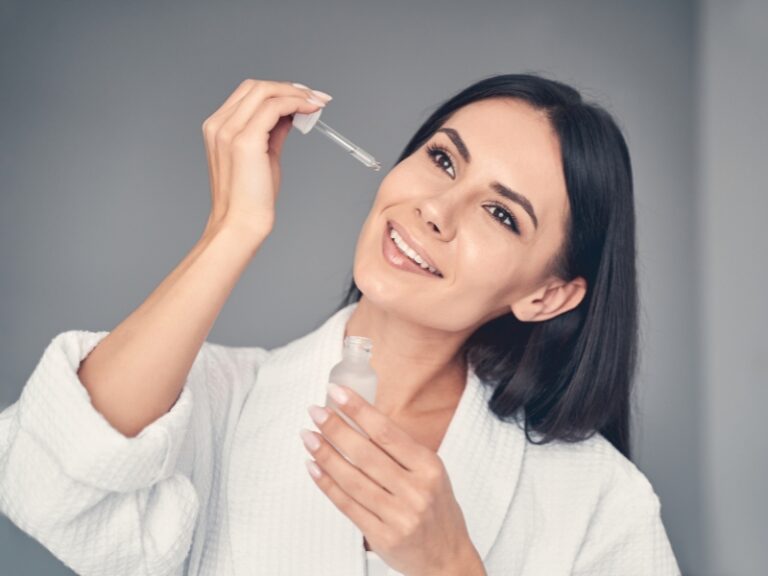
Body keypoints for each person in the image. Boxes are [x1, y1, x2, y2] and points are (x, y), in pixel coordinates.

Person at [0, 74, 681, 575]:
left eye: (500, 214)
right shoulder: (221, 403)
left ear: (548, 295)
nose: (436, 209)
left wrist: (449, 564)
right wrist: (232, 230)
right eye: (442, 160)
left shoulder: (599, 501)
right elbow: (48, 476)